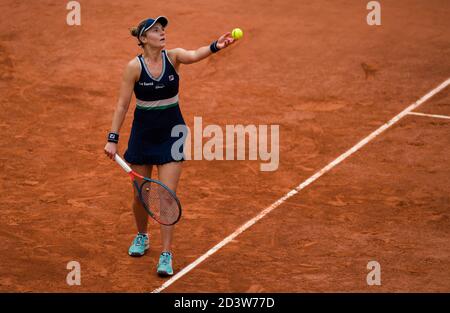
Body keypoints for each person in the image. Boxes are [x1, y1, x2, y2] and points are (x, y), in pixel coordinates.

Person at [104, 16, 236, 276]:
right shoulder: (134, 67)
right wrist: (112, 138)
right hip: (142, 136)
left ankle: (166, 253)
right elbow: (122, 105)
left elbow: (194, 54)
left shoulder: (173, 57)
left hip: (172, 135)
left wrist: (215, 46)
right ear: (143, 39)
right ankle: (142, 235)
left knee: (166, 196)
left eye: (162, 28)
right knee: (141, 195)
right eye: (155, 30)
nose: (162, 32)